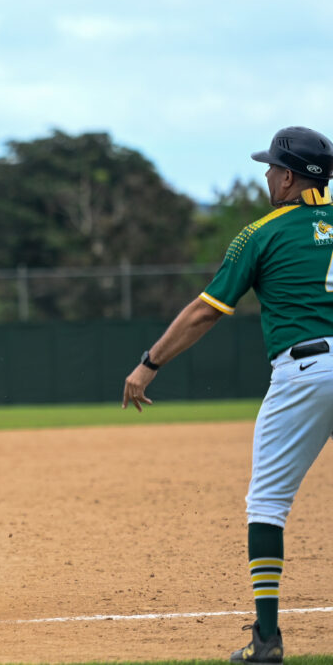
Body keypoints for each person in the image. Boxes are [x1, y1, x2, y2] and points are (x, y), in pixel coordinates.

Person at [122, 126, 333, 663]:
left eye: (270, 168)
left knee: (267, 503)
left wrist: (149, 365)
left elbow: (203, 312)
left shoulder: (260, 233)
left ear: (288, 177)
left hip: (304, 370)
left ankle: (266, 640)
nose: (266, 175)